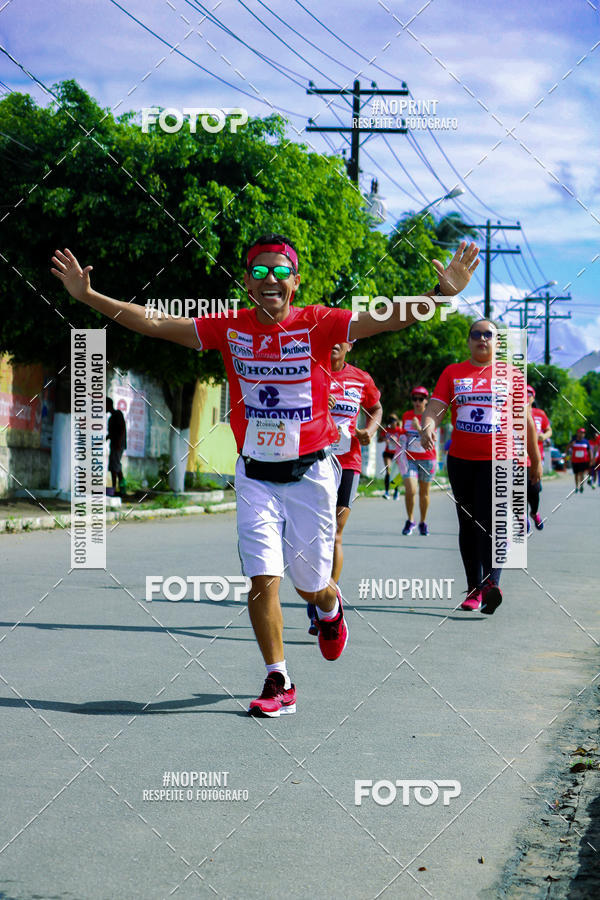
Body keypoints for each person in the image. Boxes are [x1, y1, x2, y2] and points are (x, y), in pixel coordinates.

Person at [51, 236, 480, 716]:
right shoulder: (229, 326)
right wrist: (89, 296)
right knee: (262, 578)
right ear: (247, 282)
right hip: (255, 475)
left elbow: (385, 318)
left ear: (295, 281)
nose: (269, 279)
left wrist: (439, 296)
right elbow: (156, 321)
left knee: (309, 585)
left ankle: (329, 606)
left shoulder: (318, 322)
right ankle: (279, 679)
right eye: (259, 272)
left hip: (311, 475)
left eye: (280, 271)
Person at [420, 319, 542, 615]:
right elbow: (436, 406)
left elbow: (525, 421)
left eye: (489, 334)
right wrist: (428, 425)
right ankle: (474, 589)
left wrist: (535, 459)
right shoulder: (453, 372)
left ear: (497, 342)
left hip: (500, 459)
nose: (482, 339)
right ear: (468, 340)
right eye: (476, 334)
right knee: (468, 523)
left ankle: (491, 585)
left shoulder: (512, 375)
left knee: (491, 520)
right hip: (461, 460)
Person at [306, 342, 382, 635]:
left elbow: (375, 407)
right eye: (331, 337)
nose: (335, 343)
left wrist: (369, 431)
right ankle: (317, 592)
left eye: (342, 338)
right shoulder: (311, 371)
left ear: (350, 344)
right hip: (314, 460)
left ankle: (326, 602)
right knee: (315, 533)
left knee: (336, 531)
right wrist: (316, 406)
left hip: (348, 461)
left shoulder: (361, 378)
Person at [398, 386, 437, 536]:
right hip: (410, 459)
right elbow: (404, 433)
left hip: (428, 458)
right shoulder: (407, 415)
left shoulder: (431, 416)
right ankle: (410, 520)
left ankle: (423, 522)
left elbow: (431, 437)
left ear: (426, 400)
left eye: (421, 399)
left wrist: (419, 427)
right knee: (411, 490)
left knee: (424, 493)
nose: (417, 402)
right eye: (415, 399)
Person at [526, 384, 551, 530]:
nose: (526, 396)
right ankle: (522, 518)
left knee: (534, 490)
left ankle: (534, 513)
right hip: (517, 457)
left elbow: (549, 430)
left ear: (533, 398)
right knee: (518, 488)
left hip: (535, 458)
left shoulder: (540, 413)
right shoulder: (511, 411)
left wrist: (544, 436)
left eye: (529, 394)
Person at [378, 413, 402, 499]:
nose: (391, 423)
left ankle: (396, 491)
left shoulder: (400, 430)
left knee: (395, 473)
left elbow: (404, 442)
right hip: (388, 453)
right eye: (390, 421)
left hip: (397, 454)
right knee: (388, 471)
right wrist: (385, 439)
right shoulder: (386, 430)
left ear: (396, 422)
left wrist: (396, 440)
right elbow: (379, 440)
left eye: (393, 421)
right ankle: (387, 492)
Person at [106, 397, 127, 496]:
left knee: (114, 467)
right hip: (114, 444)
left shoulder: (118, 414)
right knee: (116, 467)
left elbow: (122, 429)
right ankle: (121, 489)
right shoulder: (110, 418)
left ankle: (114, 489)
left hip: (118, 445)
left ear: (108, 405)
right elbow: (111, 434)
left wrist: (118, 442)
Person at [567, 427, 592, 493]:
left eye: (583, 433)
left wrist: (591, 460)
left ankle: (581, 486)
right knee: (576, 474)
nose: (582, 434)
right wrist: (571, 445)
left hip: (583, 461)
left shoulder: (586, 441)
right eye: (580, 433)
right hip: (575, 461)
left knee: (581, 473)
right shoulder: (573, 441)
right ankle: (576, 486)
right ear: (577, 433)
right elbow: (567, 449)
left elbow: (589, 451)